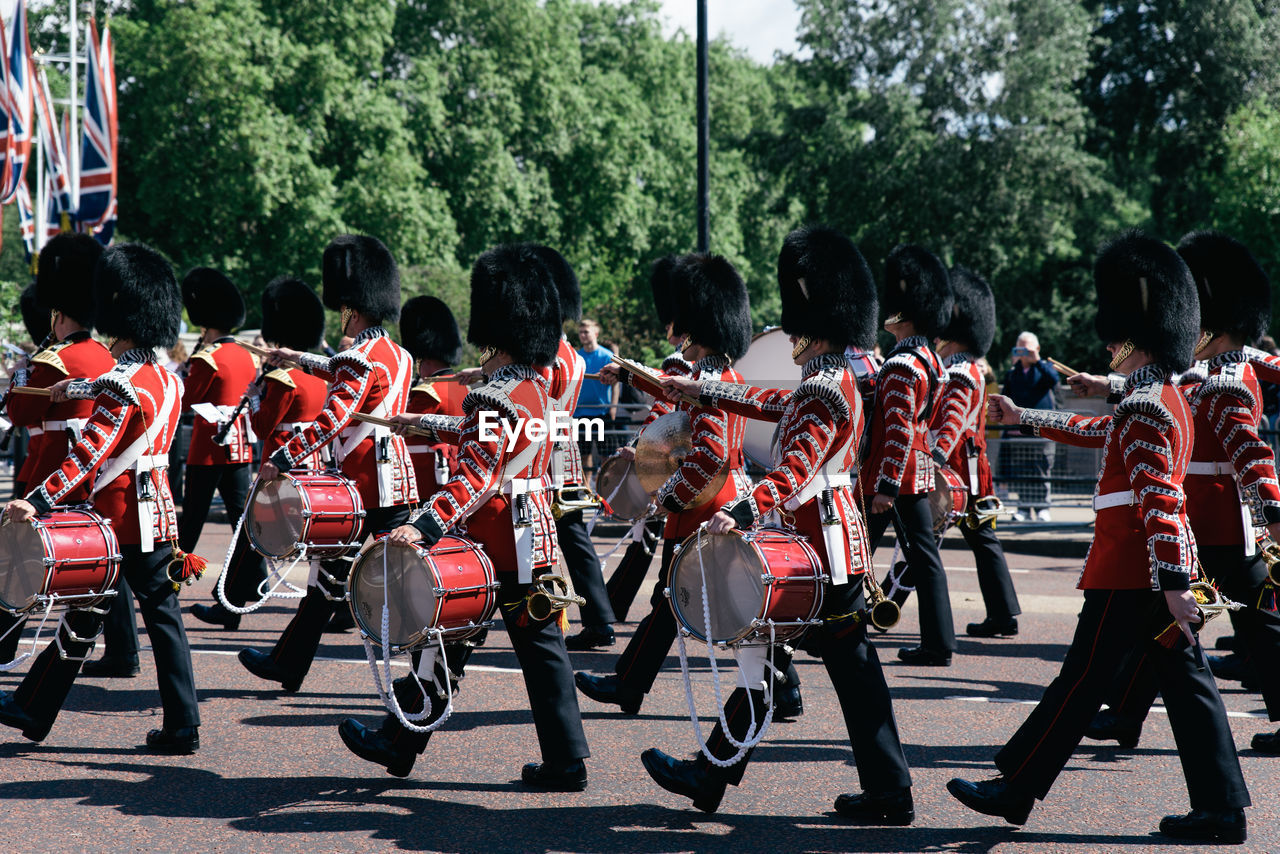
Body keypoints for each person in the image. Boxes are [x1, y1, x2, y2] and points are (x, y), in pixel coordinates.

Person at [948, 230, 1250, 844]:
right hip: (1146, 570)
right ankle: (1221, 809)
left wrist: (1170, 583)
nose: (1108, 342)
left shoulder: (1147, 404)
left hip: (1131, 571)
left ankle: (1016, 788)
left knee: (1084, 678)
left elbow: (1160, 500)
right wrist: (1027, 415)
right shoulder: (1158, 397)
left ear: (1135, 335)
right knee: (1185, 687)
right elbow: (1098, 435)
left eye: (1117, 332)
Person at [642, 226, 914, 822]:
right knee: (775, 651)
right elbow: (771, 404)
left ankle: (887, 791)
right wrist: (692, 386)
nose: (788, 332)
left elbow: (790, 471)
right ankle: (713, 773)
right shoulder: (831, 378)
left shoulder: (822, 385)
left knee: (845, 666)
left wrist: (738, 515)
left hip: (820, 539)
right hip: (830, 537)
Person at [337, 244, 593, 790]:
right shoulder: (532, 387)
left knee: (448, 634)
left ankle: (401, 740)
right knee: (527, 648)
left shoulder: (492, 394)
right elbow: (499, 445)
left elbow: (475, 475)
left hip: (493, 538)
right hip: (534, 534)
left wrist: (422, 525)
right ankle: (560, 759)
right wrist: (430, 426)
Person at [1085, 231, 1280, 758]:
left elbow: (1252, 454)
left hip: (1217, 519)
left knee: (1258, 626)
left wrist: (1275, 517)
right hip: (1200, 517)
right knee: (1169, 625)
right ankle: (1126, 713)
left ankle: (1127, 715)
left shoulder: (1225, 381)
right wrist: (1101, 386)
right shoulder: (1218, 371)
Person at [0, 243, 201, 753]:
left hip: (116, 516)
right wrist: (78, 388)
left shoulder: (119, 383)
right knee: (148, 616)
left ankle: (33, 707)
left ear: (120, 316)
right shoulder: (168, 380)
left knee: (87, 606)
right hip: (158, 515)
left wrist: (38, 500)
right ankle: (181, 724)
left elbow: (88, 454)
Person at [574, 254, 754, 716]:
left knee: (699, 599)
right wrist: (630, 373)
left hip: (703, 504)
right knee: (681, 599)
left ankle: (630, 684)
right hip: (711, 501)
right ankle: (629, 683)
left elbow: (711, 453)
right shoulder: (717, 376)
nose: (678, 337)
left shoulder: (711, 378)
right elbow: (674, 393)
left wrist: (670, 495)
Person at [238, 234, 418, 692]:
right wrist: (295, 357)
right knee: (328, 576)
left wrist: (282, 457)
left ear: (350, 311)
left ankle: (426, 672)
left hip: (363, 481)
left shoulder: (359, 357)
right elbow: (342, 370)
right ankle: (289, 663)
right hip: (391, 477)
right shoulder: (399, 355)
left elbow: (332, 419)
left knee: (392, 582)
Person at [0, 236, 118, 667]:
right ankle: (122, 650)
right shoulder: (106, 355)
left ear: (58, 312)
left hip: (50, 470)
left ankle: (4, 643)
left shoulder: (56, 359)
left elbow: (18, 410)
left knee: (19, 559)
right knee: (100, 559)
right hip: (96, 470)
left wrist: (18, 377)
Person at [190, 277, 328, 630]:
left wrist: (254, 396)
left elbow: (263, 427)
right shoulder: (317, 377)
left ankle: (229, 607)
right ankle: (233, 603)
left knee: (251, 534)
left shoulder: (285, 379)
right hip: (309, 466)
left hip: (277, 467)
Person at [863, 244, 956, 666]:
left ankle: (832, 628)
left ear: (905, 314)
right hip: (914, 470)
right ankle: (939, 643)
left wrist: (884, 485)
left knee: (853, 549)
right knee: (924, 559)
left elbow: (898, 430)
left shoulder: (902, 364)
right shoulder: (930, 360)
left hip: (892, 476)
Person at [531, 247, 618, 651]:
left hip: (541, 456)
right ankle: (599, 620)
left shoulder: (548, 356)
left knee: (534, 540)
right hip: (567, 457)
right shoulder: (572, 356)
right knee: (575, 545)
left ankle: (544, 615)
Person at [932, 267, 1022, 637]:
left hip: (961, 472)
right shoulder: (963, 368)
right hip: (968, 469)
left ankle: (889, 609)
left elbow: (952, 423)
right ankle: (1002, 614)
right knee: (983, 543)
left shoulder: (960, 371)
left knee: (930, 543)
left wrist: (933, 456)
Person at [603, 256, 691, 622]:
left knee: (657, 537)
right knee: (650, 536)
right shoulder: (703, 363)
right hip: (685, 462)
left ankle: (630, 607)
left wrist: (640, 448)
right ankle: (618, 605)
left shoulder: (678, 363)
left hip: (673, 465)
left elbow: (661, 413)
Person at [998, 331, 1060, 521]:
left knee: (1041, 468)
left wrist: (1038, 360)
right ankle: (1024, 507)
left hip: (1041, 430)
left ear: (1036, 349)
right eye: (1020, 348)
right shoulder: (1013, 372)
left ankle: (1042, 507)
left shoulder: (1045, 368)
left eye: (1027, 348)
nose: (1023, 353)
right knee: (1020, 470)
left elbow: (1054, 379)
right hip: (1018, 431)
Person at [574, 318, 616, 469]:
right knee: (584, 457)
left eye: (586, 332)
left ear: (596, 333)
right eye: (580, 332)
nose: (583, 335)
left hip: (601, 412)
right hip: (580, 413)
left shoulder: (607, 356)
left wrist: (613, 407)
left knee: (606, 457)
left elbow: (615, 384)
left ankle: (604, 491)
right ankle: (586, 491)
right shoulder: (576, 357)